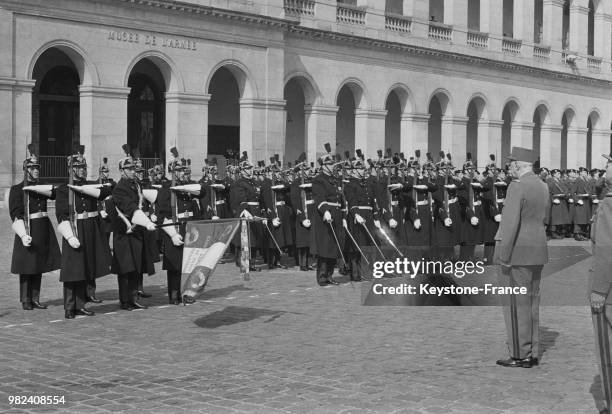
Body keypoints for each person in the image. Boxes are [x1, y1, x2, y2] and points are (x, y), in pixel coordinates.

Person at [495, 147, 549, 368]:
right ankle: (533, 350)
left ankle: (520, 353)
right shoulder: (543, 185)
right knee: (532, 301)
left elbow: (509, 225)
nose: (509, 167)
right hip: (537, 250)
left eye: (511, 164)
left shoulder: (517, 187)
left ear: (520, 165)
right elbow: (545, 218)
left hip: (517, 252)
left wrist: (504, 255)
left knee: (516, 305)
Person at [55, 145, 113, 319]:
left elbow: (107, 189)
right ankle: (69, 306)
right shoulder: (64, 189)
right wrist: (70, 235)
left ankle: (80, 305)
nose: (82, 170)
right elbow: (61, 214)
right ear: (71, 169)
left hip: (90, 227)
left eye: (84, 167)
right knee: (73, 269)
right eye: (79, 167)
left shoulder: (90, 186)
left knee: (85, 268)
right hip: (74, 228)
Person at [9, 145, 61, 310]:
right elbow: (15, 212)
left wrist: (38, 188)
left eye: (37, 168)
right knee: (27, 265)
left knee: (39, 263)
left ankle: (36, 298)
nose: (37, 170)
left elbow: (55, 194)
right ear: (26, 170)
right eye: (33, 168)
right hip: (27, 228)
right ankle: (26, 299)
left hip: (42, 228)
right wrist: (23, 233)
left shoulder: (41, 187)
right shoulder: (17, 189)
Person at [110, 149, 157, 311]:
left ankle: (133, 298)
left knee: (136, 268)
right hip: (124, 234)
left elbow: (143, 204)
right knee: (125, 269)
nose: (132, 171)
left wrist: (150, 216)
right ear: (122, 171)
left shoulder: (136, 184)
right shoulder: (120, 188)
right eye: (128, 169)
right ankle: (124, 301)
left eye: (133, 169)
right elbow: (129, 208)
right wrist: (145, 222)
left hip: (136, 232)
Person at [589, 154, 612, 413]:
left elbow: (607, 249)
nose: (605, 167)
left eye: (609, 163)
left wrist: (599, 289)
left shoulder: (609, 204)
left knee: (608, 355)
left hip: (609, 290)